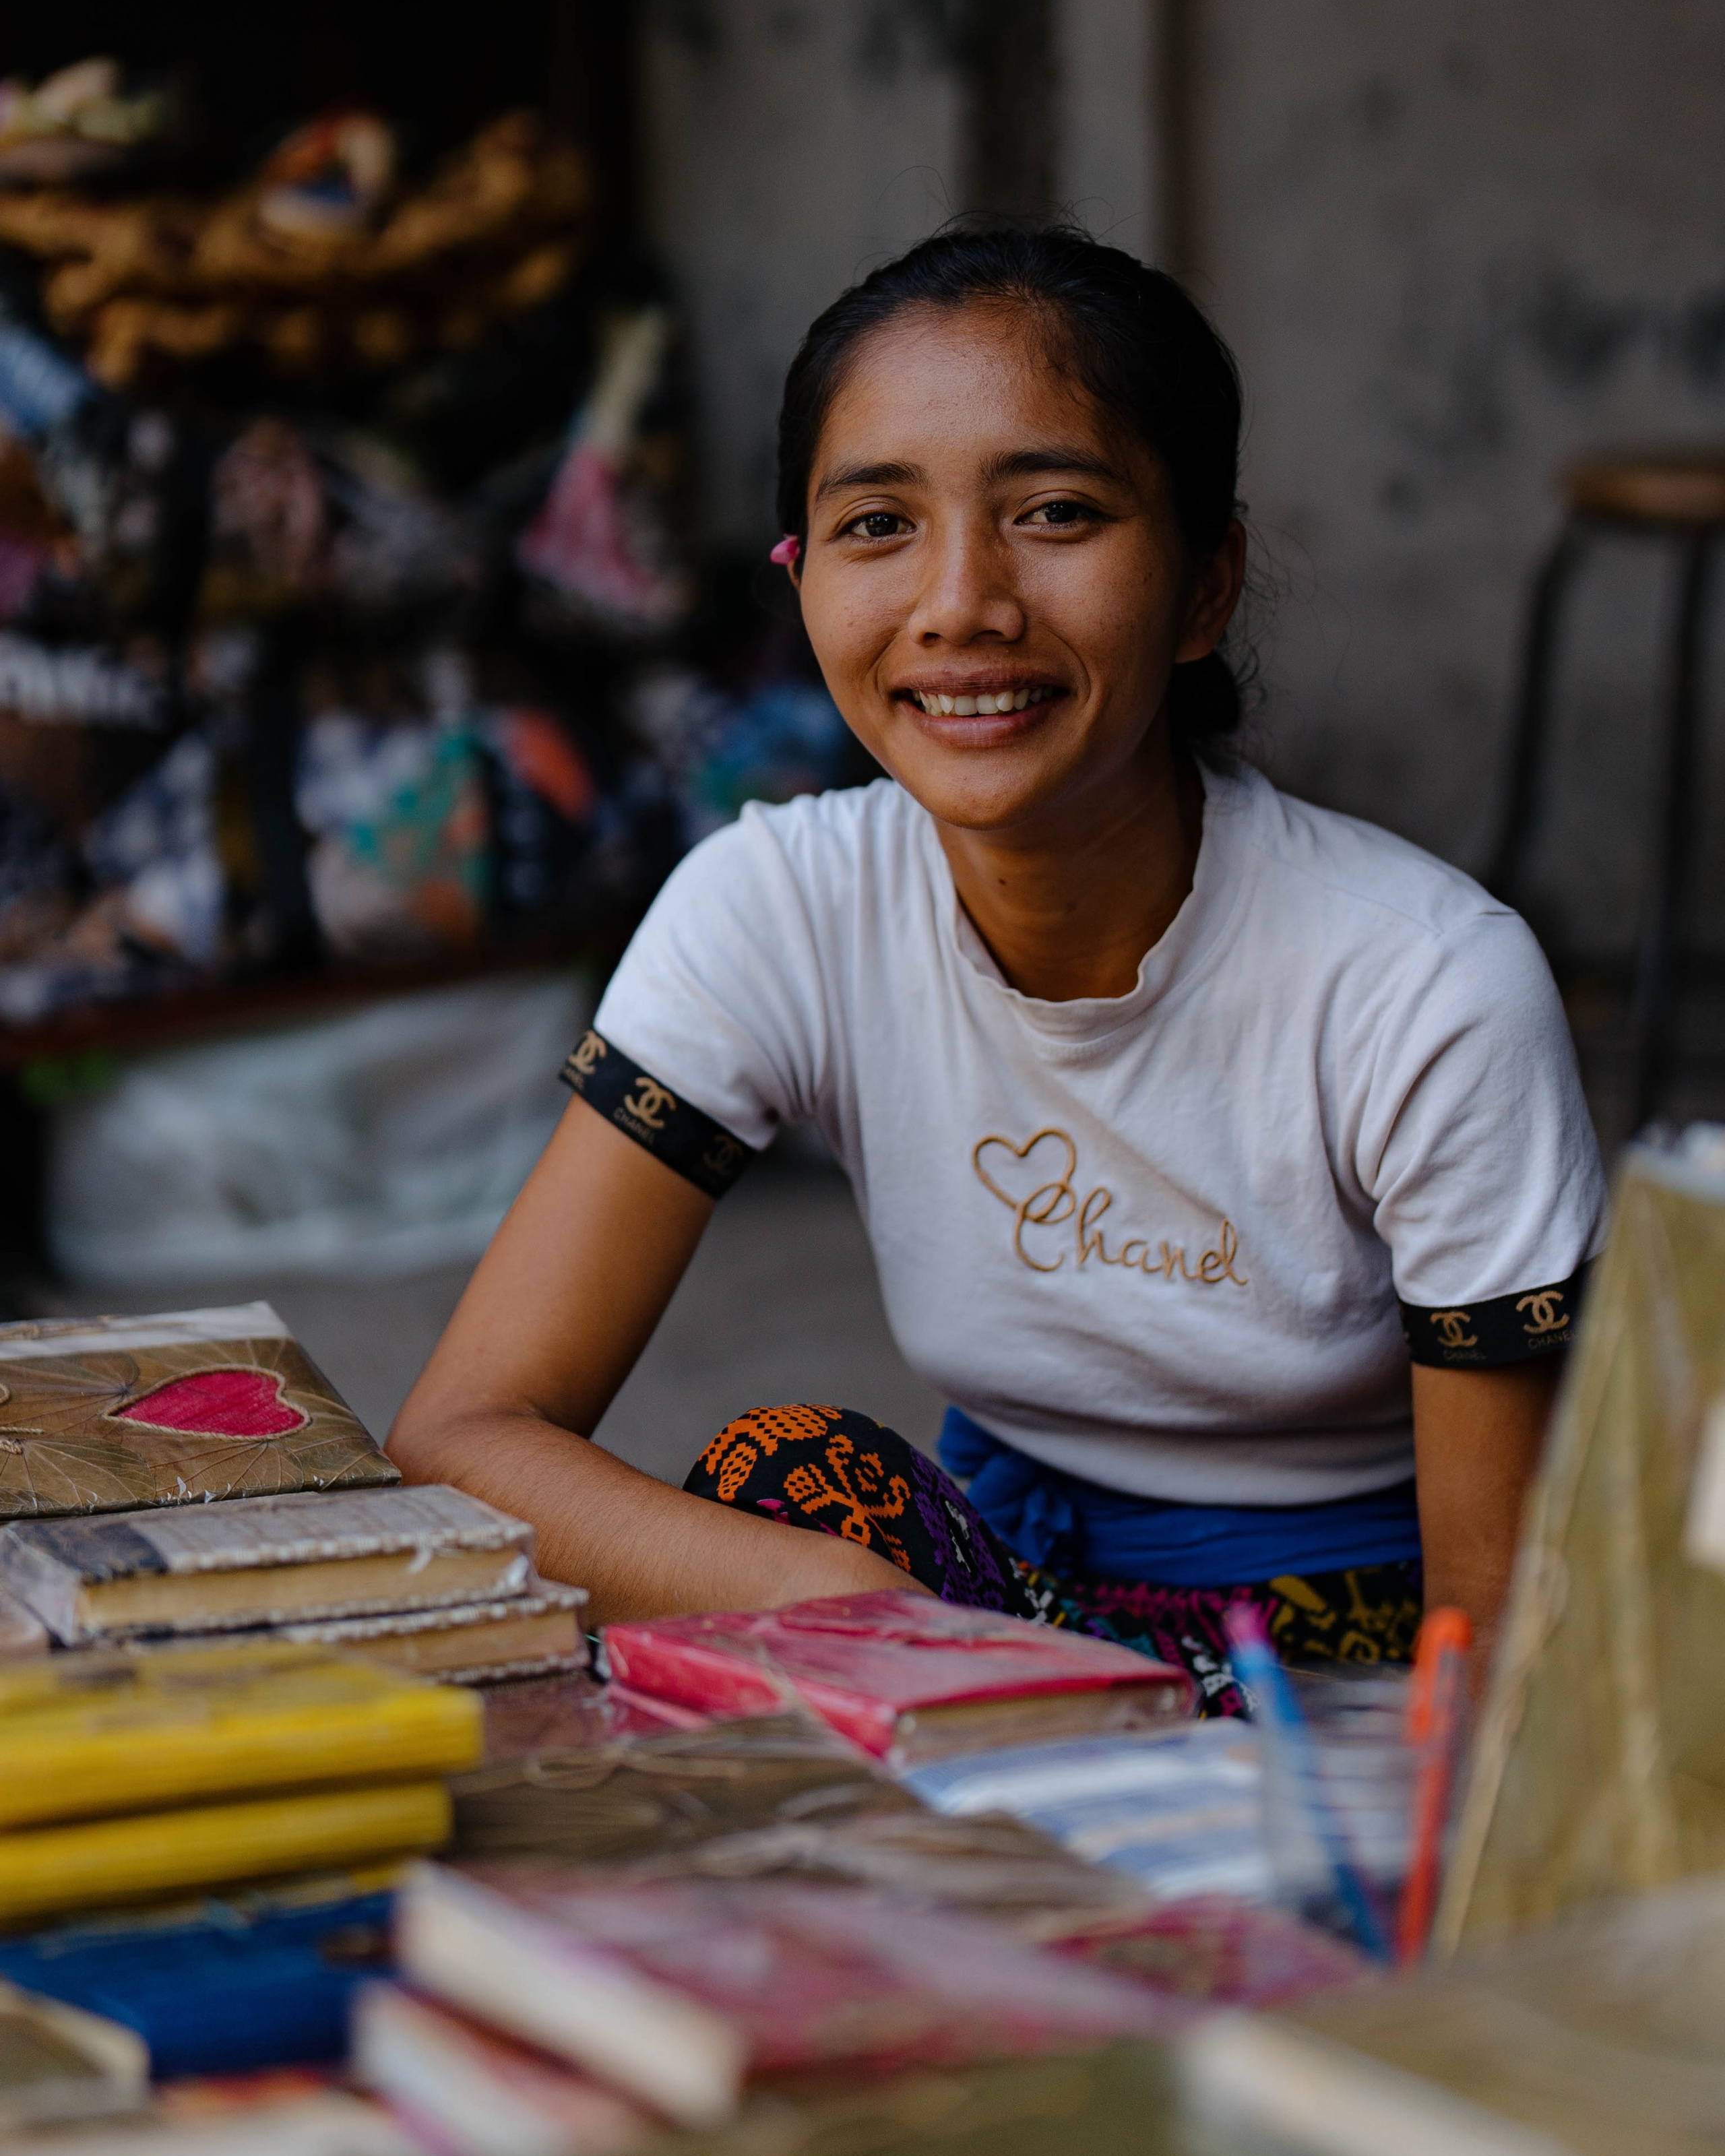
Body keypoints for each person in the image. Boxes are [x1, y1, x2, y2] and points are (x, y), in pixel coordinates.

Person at [389, 226, 1604, 1709]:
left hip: (1341, 1675)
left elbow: (1504, 1647)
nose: (959, 602)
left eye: (1054, 512)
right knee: (786, 1485)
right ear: (799, 579)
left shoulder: (1420, 989)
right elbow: (464, 1440)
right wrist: (848, 1599)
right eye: (875, 525)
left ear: (1204, 585)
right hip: (970, 1600)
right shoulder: (779, 904)